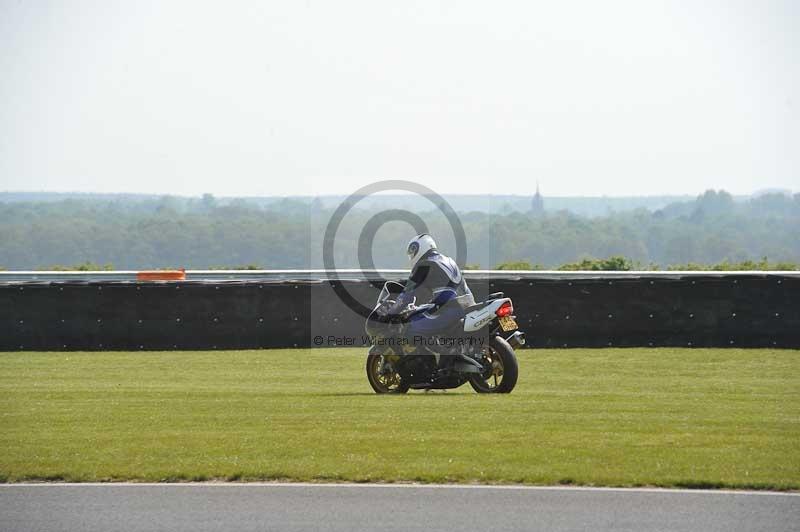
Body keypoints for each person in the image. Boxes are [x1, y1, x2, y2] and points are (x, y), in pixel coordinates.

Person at [388, 234, 476, 361]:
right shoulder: (448, 260)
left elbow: (406, 295)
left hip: (449, 309)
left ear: (421, 248)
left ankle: (439, 361)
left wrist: (391, 313)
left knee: (411, 329)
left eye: (413, 250)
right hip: (468, 305)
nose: (412, 254)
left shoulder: (424, 264)